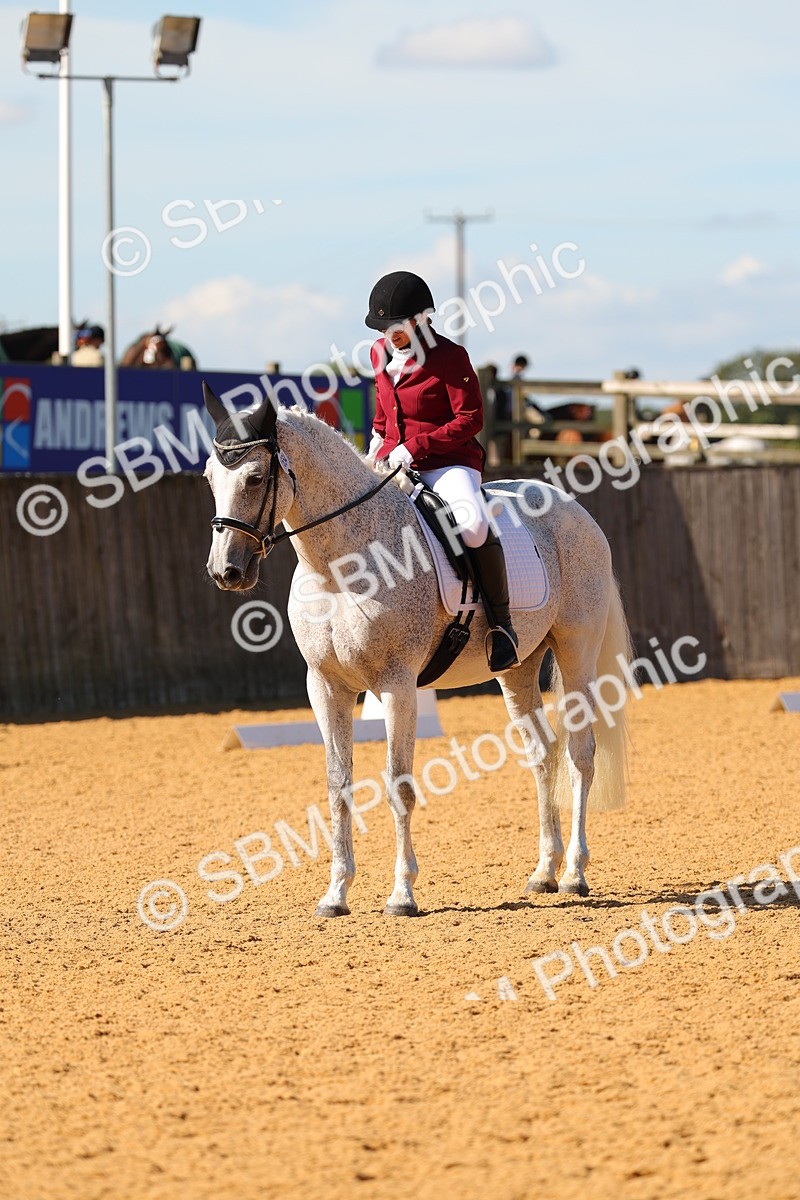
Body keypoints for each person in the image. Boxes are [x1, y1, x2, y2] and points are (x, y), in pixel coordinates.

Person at [364, 270, 520, 672]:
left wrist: (413, 448)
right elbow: (383, 414)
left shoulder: (451, 357)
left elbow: (470, 418)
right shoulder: (378, 355)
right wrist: (376, 446)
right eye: (382, 327)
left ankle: (502, 627)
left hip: (448, 462)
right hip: (393, 460)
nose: (388, 334)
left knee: (471, 524)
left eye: (395, 326)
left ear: (420, 318)